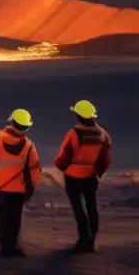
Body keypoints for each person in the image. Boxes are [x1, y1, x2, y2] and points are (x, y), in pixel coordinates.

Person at [55, 100, 112, 254]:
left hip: (73, 177)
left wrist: (61, 167)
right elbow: (105, 158)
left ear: (78, 115)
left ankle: (84, 239)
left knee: (78, 208)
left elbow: (63, 156)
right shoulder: (103, 134)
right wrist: (97, 172)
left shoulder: (74, 133)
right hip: (90, 177)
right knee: (91, 207)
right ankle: (91, 239)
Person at [0, 108, 42, 258]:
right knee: (15, 219)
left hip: (1, 186)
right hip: (18, 189)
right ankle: (12, 246)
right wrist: (31, 189)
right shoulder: (29, 146)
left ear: (12, 122)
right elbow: (34, 170)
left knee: (3, 217)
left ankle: (4, 245)